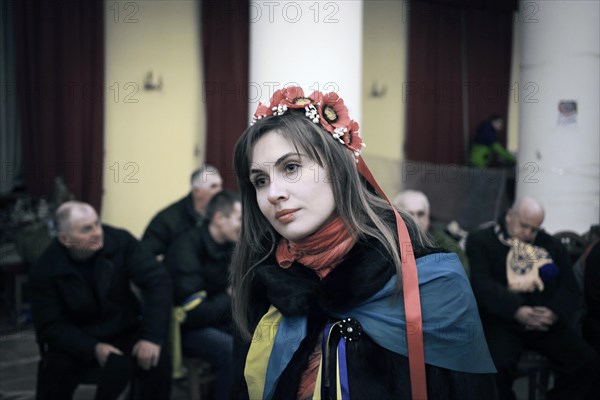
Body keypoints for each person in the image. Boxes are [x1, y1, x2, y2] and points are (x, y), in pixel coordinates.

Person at [229, 86, 497, 399]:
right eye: (260, 180)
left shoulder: (429, 281)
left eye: (291, 167)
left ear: (338, 169)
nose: (273, 193)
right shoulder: (264, 285)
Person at [29, 201, 172, 400]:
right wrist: (93, 348)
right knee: (55, 369)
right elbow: (50, 327)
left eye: (97, 223)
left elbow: (157, 281)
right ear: (64, 239)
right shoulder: (46, 269)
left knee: (157, 357)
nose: (97, 232)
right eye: (86, 229)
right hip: (77, 338)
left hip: (123, 329)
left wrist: (152, 337)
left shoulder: (120, 241)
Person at [466, 196, 599, 399]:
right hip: (502, 321)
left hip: (544, 321)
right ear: (509, 216)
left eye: (534, 229)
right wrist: (516, 310)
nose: (527, 234)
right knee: (495, 368)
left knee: (587, 363)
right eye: (523, 226)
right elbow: (482, 285)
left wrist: (553, 312)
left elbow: (569, 288)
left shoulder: (550, 245)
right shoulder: (481, 241)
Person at [164, 190, 241, 400]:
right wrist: (230, 295)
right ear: (218, 218)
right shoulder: (186, 248)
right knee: (230, 348)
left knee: (260, 335)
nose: (244, 226)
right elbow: (194, 314)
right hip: (183, 329)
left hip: (217, 319)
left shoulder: (230, 245)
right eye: (239, 219)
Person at [142, 165, 223, 258]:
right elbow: (146, 255)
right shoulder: (167, 220)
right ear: (197, 192)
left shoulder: (219, 216)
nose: (220, 191)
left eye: (220, 185)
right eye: (214, 186)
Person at [393, 189, 470, 276]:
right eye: (409, 214)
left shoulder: (448, 246)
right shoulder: (389, 243)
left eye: (420, 214)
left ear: (428, 218)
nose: (416, 220)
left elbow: (460, 280)